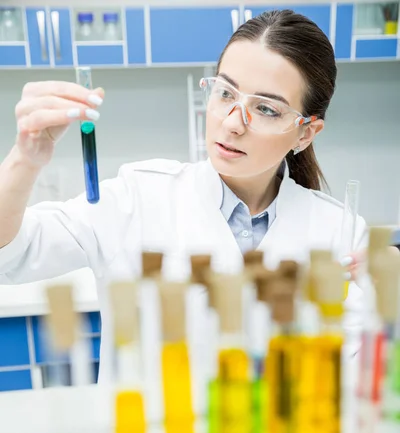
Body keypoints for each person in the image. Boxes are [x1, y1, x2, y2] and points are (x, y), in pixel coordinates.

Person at [0, 9, 366, 381]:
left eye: (267, 109)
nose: (233, 122)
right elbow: (12, 255)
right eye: (226, 93)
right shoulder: (136, 197)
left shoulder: (340, 231)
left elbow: (359, 376)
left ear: (305, 133)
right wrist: (23, 160)